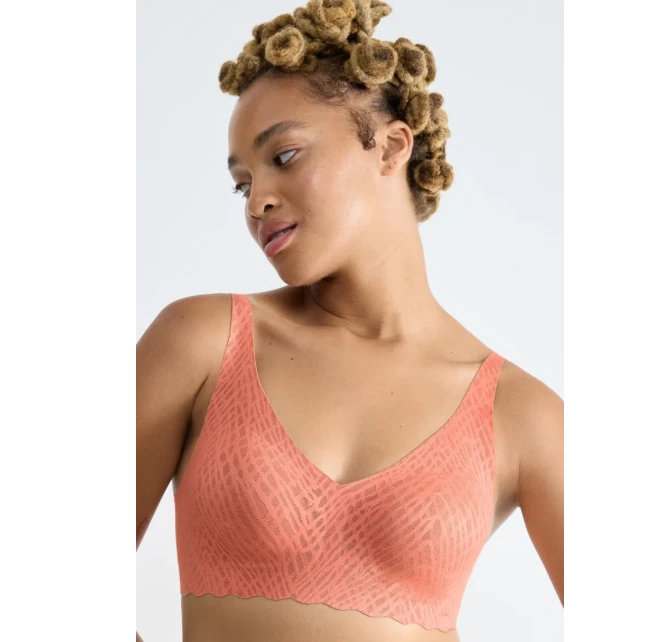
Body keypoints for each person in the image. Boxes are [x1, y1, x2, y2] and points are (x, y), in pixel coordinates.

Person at [136, 1, 563, 640]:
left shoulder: (521, 414)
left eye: (284, 156)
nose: (257, 201)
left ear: (390, 146)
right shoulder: (203, 343)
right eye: (242, 183)